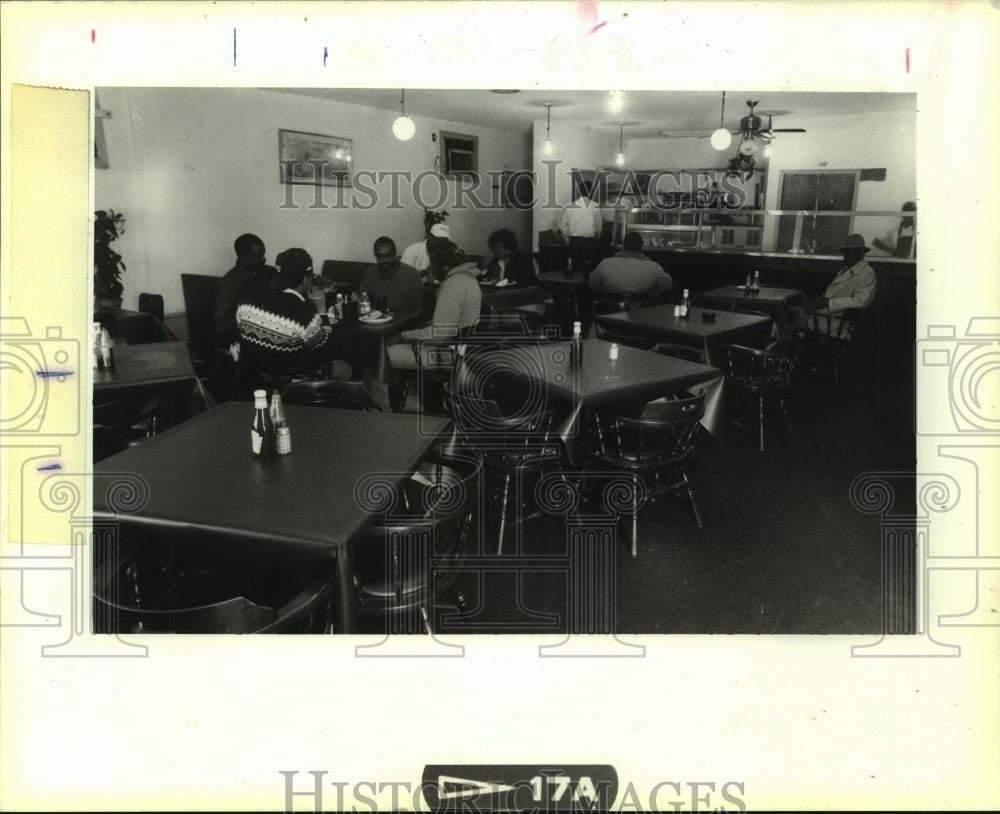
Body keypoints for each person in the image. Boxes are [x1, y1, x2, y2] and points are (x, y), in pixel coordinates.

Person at [236, 248, 344, 383]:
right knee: (345, 369)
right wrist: (321, 310)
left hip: (254, 380)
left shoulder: (248, 300)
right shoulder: (305, 315)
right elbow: (326, 352)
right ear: (306, 279)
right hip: (292, 386)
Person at [387, 237, 482, 370]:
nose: (429, 269)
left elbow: (437, 335)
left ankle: (385, 391)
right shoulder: (468, 278)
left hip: (449, 356)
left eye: (432, 265)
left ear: (444, 267)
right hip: (461, 350)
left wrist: (403, 335)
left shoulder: (452, 285)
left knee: (382, 355)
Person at [790, 233, 877, 336]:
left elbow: (860, 302)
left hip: (836, 322)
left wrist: (829, 302)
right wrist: (821, 302)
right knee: (794, 309)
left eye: (850, 253)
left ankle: (789, 348)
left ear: (861, 252)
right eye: (845, 253)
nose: (846, 257)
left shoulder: (867, 274)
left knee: (790, 320)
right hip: (827, 315)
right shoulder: (847, 270)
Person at [215, 233, 278, 346]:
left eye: (263, 254)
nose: (263, 259)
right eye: (258, 256)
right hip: (248, 341)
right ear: (242, 257)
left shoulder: (269, 272)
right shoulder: (230, 282)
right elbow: (223, 325)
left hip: (275, 333)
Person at [588, 232, 673, 300]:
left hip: (608, 313)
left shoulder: (605, 263)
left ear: (623, 245)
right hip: (643, 315)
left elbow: (592, 284)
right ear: (642, 245)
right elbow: (667, 286)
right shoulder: (654, 267)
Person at [360, 236, 424, 313]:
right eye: (380, 256)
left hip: (404, 322)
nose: (384, 260)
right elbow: (364, 303)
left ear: (395, 253)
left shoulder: (411, 274)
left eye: (388, 255)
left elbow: (415, 309)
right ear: (375, 256)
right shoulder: (369, 274)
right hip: (375, 322)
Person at [559, 181, 604, 272]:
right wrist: (597, 238)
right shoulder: (594, 206)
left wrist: (568, 239)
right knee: (586, 272)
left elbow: (563, 226)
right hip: (588, 243)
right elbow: (598, 227)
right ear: (591, 192)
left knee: (572, 270)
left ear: (579, 191)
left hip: (574, 243)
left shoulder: (570, 206)